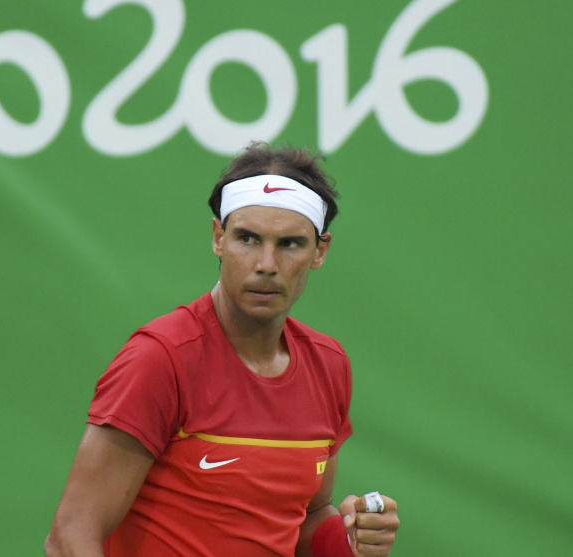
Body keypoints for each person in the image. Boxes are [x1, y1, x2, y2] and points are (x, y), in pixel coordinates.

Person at [45, 142, 400, 557]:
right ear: (218, 237)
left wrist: (352, 538)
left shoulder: (328, 364)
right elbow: (70, 537)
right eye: (247, 238)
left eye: (289, 244)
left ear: (319, 251)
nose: (266, 264)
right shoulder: (161, 358)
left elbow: (307, 516)